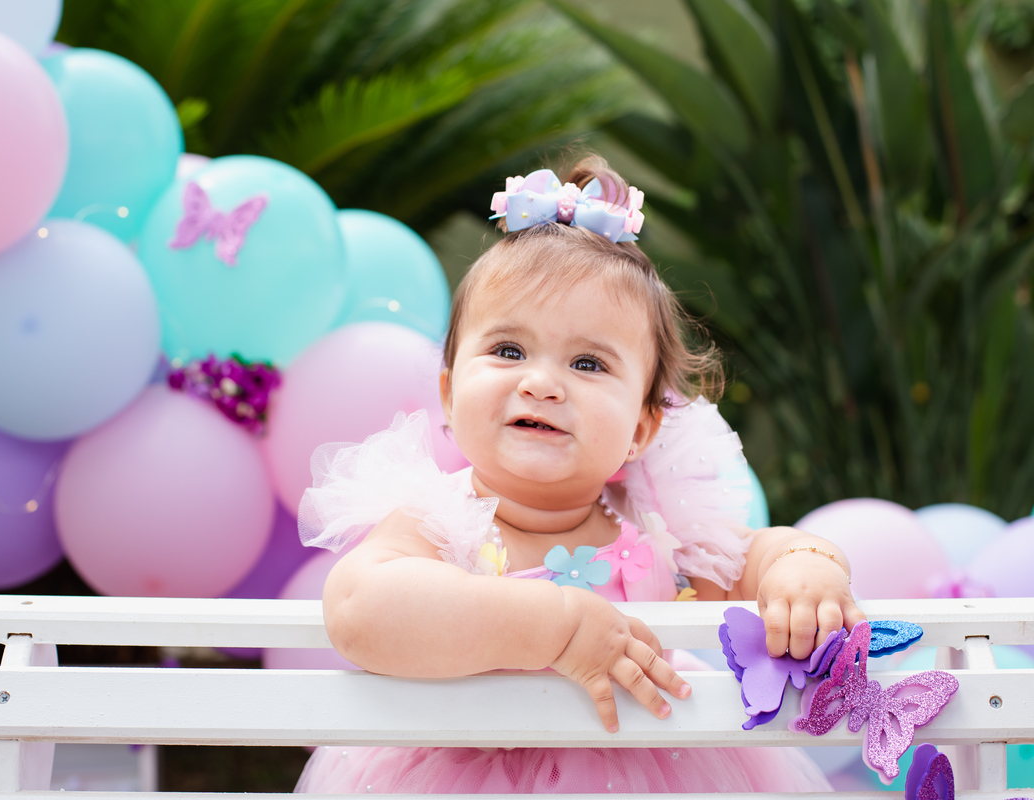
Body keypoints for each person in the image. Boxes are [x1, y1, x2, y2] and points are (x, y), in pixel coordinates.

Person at [294, 156, 862, 793]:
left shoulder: (658, 532)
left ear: (643, 428)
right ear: (450, 395)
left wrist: (806, 566)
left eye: (588, 364)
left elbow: (757, 556)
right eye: (509, 351)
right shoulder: (440, 524)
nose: (540, 383)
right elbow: (357, 608)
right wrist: (553, 626)